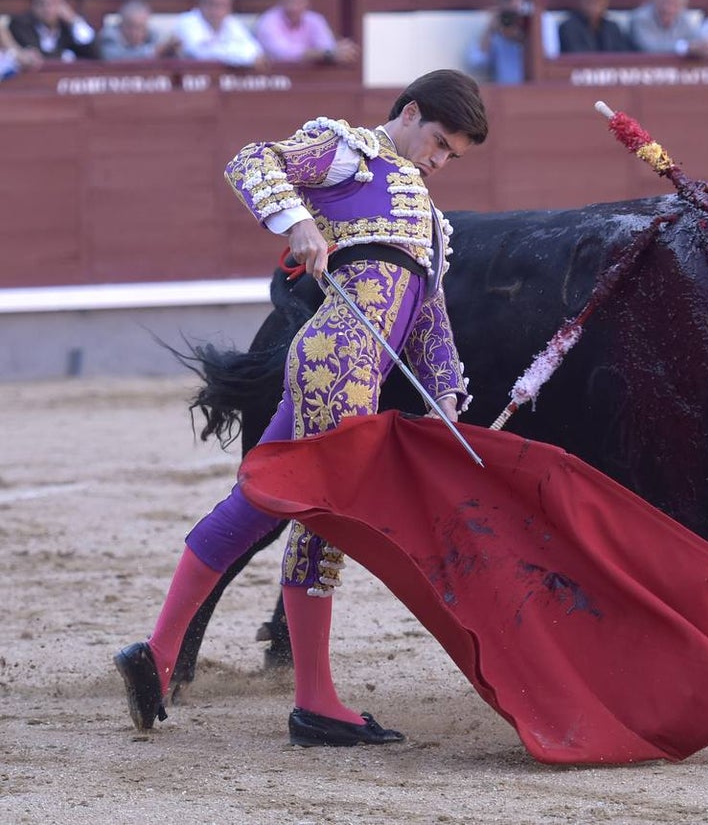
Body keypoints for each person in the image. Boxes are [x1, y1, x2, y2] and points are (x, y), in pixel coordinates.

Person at [114, 69, 489, 748]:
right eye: (437, 142)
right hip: (336, 359)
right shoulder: (348, 153)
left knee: (260, 501)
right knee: (322, 514)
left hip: (353, 372)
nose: (438, 161)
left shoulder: (432, 221)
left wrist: (449, 400)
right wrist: (297, 224)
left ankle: (158, 654)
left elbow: (429, 320)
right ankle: (312, 700)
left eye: (451, 157)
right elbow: (252, 160)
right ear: (408, 113)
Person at [254, 0, 358, 64]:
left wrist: (332, 52)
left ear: (307, 2)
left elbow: (326, 47)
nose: (293, 7)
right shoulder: (267, 21)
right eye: (288, 1)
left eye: (298, 1)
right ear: (279, 2)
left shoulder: (315, 20)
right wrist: (323, 54)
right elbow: (282, 54)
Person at [172, 0, 265, 67]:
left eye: (222, 5)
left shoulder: (231, 22)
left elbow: (255, 51)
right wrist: (243, 57)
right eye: (212, 4)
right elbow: (201, 53)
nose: (217, 10)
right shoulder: (187, 21)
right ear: (200, 4)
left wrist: (241, 54)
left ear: (229, 7)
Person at [6, 0, 101, 61]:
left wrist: (74, 21)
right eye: (41, 3)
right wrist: (65, 56)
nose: (47, 9)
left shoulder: (68, 26)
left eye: (54, 3)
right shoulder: (20, 25)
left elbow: (94, 53)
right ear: (33, 6)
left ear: (64, 5)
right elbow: (38, 57)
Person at [628, 0, 708, 58]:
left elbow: (696, 42)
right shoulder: (641, 18)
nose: (668, 7)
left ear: (683, 4)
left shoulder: (685, 19)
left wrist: (703, 47)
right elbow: (649, 48)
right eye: (664, 0)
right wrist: (684, 47)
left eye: (674, 2)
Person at [466, 0, 534, 84]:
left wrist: (524, 36)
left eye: (516, 12)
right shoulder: (496, 33)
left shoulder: (537, 25)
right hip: (505, 93)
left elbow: (548, 60)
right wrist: (490, 30)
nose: (512, 18)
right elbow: (476, 62)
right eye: (509, 13)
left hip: (534, 91)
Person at [557, 0, 635, 54]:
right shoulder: (568, 28)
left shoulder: (613, 28)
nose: (594, 5)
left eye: (599, 1)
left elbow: (624, 56)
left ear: (606, 3)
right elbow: (577, 57)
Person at [98, 0, 179, 61]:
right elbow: (118, 58)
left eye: (141, 27)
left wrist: (170, 50)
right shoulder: (108, 37)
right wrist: (154, 52)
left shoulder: (152, 34)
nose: (136, 33)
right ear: (121, 25)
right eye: (131, 26)